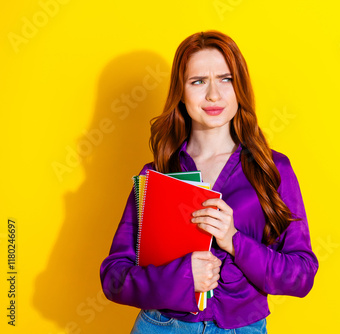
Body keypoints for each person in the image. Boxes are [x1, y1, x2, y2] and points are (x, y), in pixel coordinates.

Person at [100, 30, 319, 334]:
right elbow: (114, 277)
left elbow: (301, 275)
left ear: (240, 87)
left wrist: (234, 241)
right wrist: (183, 277)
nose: (213, 95)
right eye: (198, 81)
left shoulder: (273, 169)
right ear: (181, 92)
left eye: (225, 79)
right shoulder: (157, 174)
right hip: (162, 326)